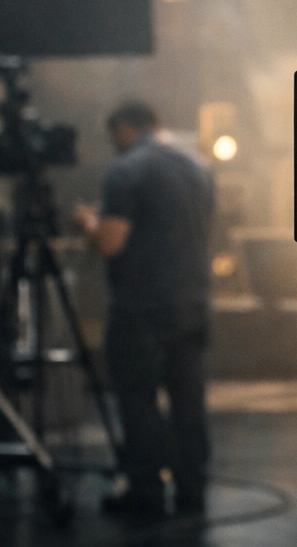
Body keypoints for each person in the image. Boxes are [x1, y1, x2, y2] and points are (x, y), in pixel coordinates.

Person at [74, 101, 215, 518]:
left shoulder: (127, 169)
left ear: (122, 128)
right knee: (189, 400)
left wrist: (86, 223)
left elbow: (109, 243)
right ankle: (193, 490)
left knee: (138, 400)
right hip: (193, 301)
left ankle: (146, 490)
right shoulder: (198, 167)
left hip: (142, 309)